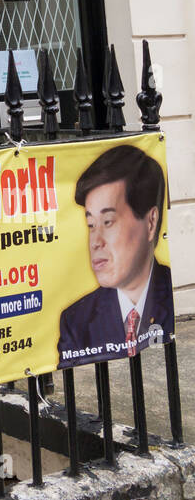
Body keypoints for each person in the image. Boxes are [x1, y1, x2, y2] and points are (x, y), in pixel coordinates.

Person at [57, 144, 173, 368]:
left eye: (108, 222)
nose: (95, 241)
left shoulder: (172, 294)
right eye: (91, 224)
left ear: (150, 222)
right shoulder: (75, 320)